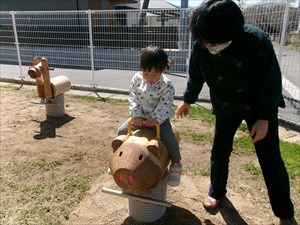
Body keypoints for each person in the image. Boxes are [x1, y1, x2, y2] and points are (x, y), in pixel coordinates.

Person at [175, 0, 298, 224]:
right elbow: (196, 75)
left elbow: (271, 83)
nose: (209, 45)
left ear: (233, 32)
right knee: (219, 152)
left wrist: (263, 118)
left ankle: (284, 213)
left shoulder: (257, 41)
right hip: (225, 105)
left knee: (271, 159)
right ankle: (216, 192)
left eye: (214, 41)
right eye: (205, 40)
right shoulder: (202, 45)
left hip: (259, 106)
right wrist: (187, 101)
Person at [117, 45, 182, 186]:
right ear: (141, 69)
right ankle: (119, 160)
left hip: (159, 119)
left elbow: (165, 104)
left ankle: (176, 164)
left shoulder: (167, 85)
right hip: (139, 117)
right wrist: (136, 115)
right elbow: (133, 96)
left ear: (163, 70)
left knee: (169, 138)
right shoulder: (137, 78)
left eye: (154, 75)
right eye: (146, 73)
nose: (150, 78)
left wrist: (156, 119)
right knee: (121, 131)